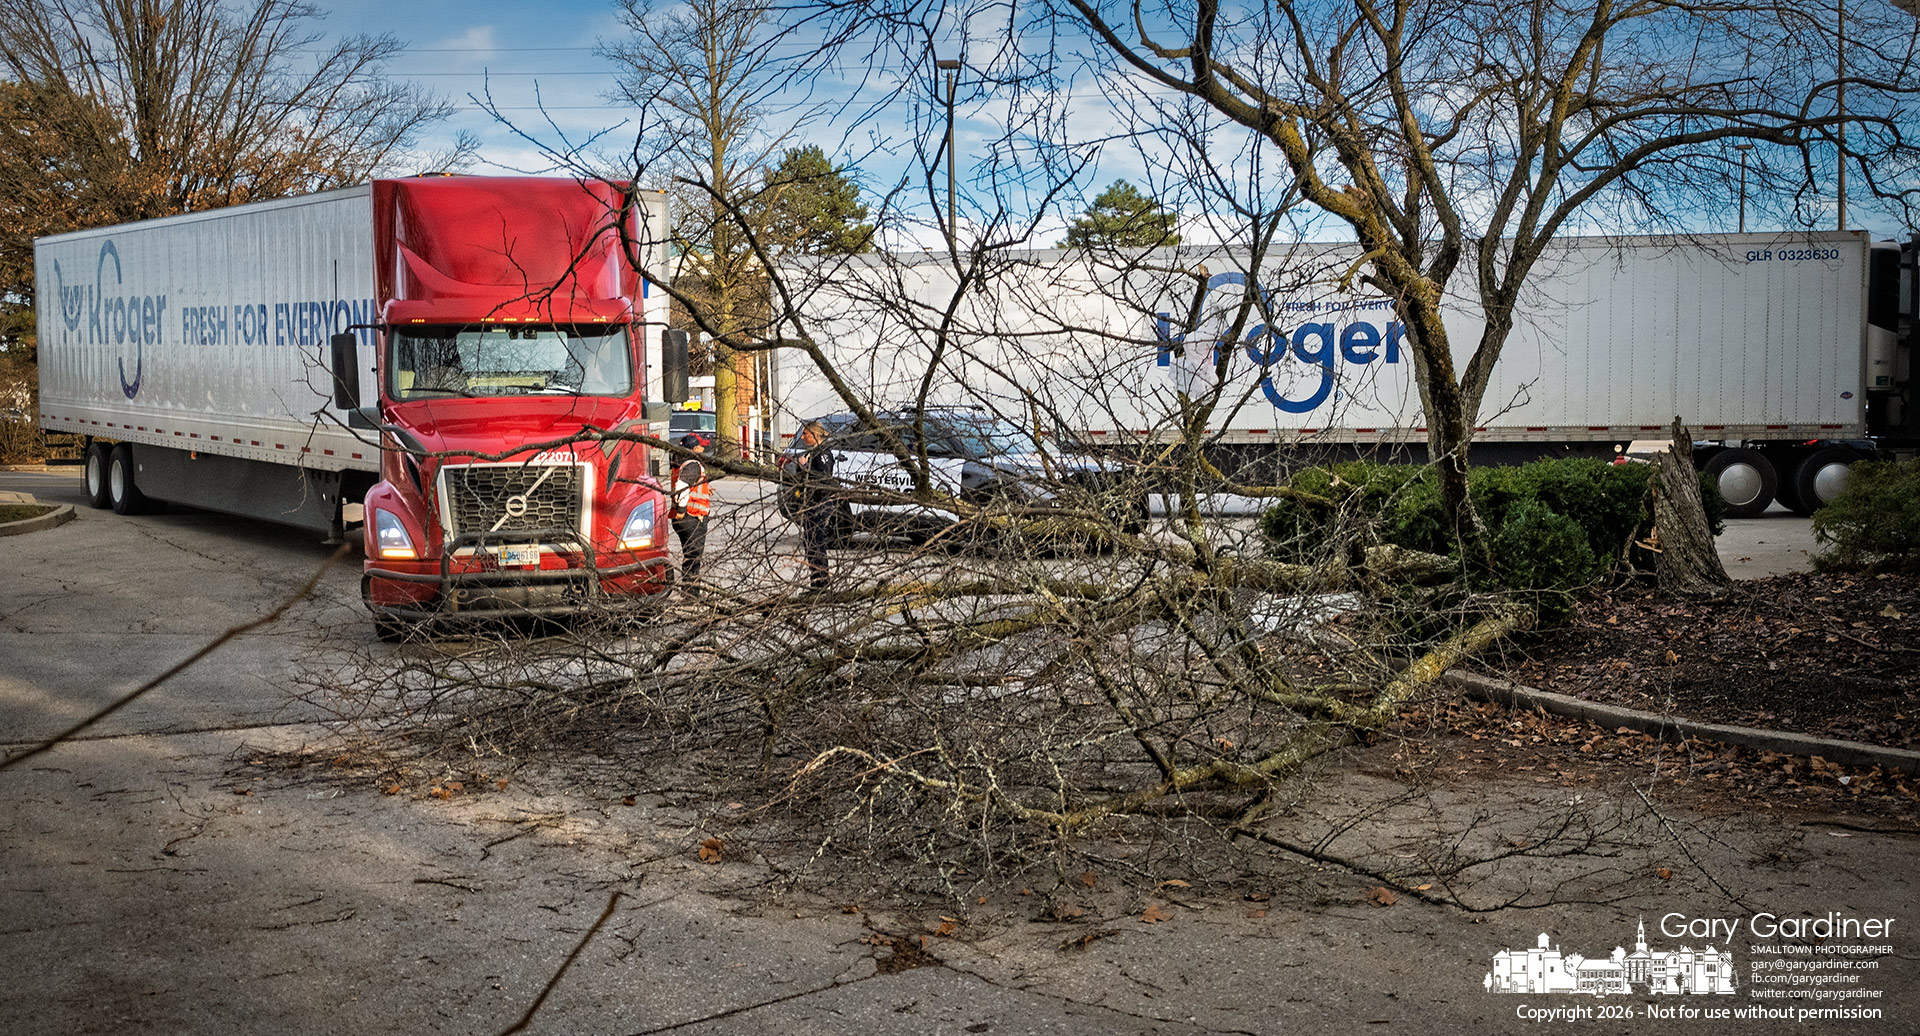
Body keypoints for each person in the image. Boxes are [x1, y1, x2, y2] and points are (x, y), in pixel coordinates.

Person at [669, 434, 712, 590]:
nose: (703, 448)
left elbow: (685, 484)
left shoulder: (678, 464)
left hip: (682, 518)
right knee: (694, 557)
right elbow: (682, 486)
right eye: (700, 446)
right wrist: (681, 509)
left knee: (689, 556)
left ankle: (689, 591)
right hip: (692, 516)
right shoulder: (693, 464)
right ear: (694, 449)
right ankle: (691, 594)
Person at [797, 419, 836, 591]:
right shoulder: (812, 452)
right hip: (810, 504)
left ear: (814, 434)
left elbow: (822, 479)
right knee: (810, 545)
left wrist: (805, 468)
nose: (803, 437)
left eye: (805, 434)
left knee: (817, 545)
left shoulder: (823, 454)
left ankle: (822, 584)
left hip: (819, 504)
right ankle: (815, 583)